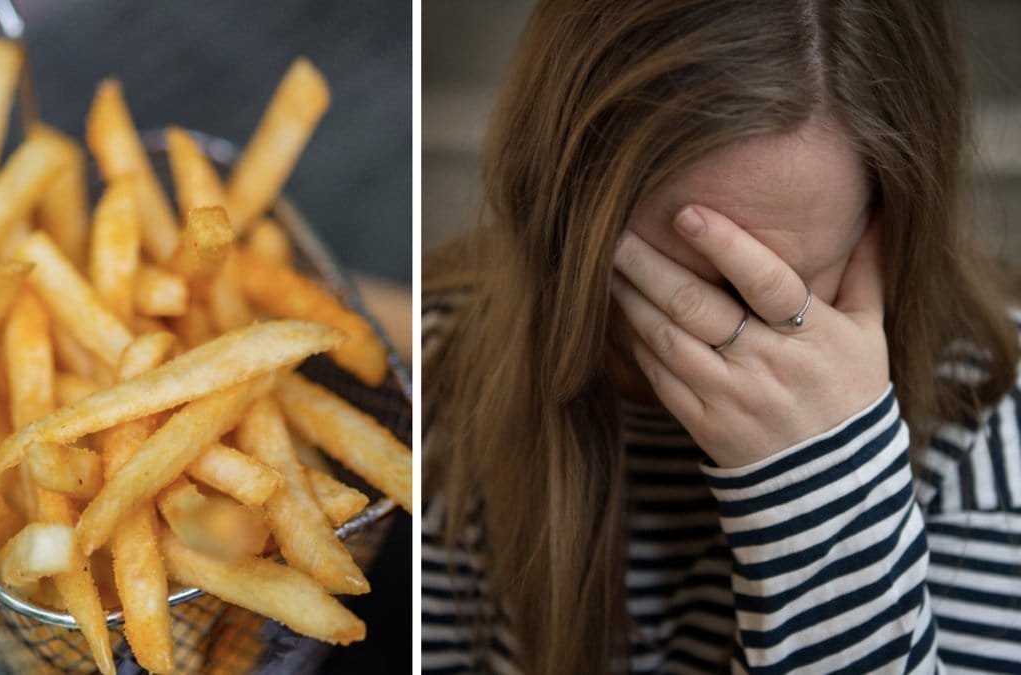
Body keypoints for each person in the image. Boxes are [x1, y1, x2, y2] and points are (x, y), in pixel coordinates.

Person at [420, 1, 1021, 673]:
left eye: (768, 289)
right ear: (557, 201)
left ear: (882, 228)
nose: (701, 328)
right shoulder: (439, 374)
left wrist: (827, 494)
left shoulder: (991, 430)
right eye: (652, 278)